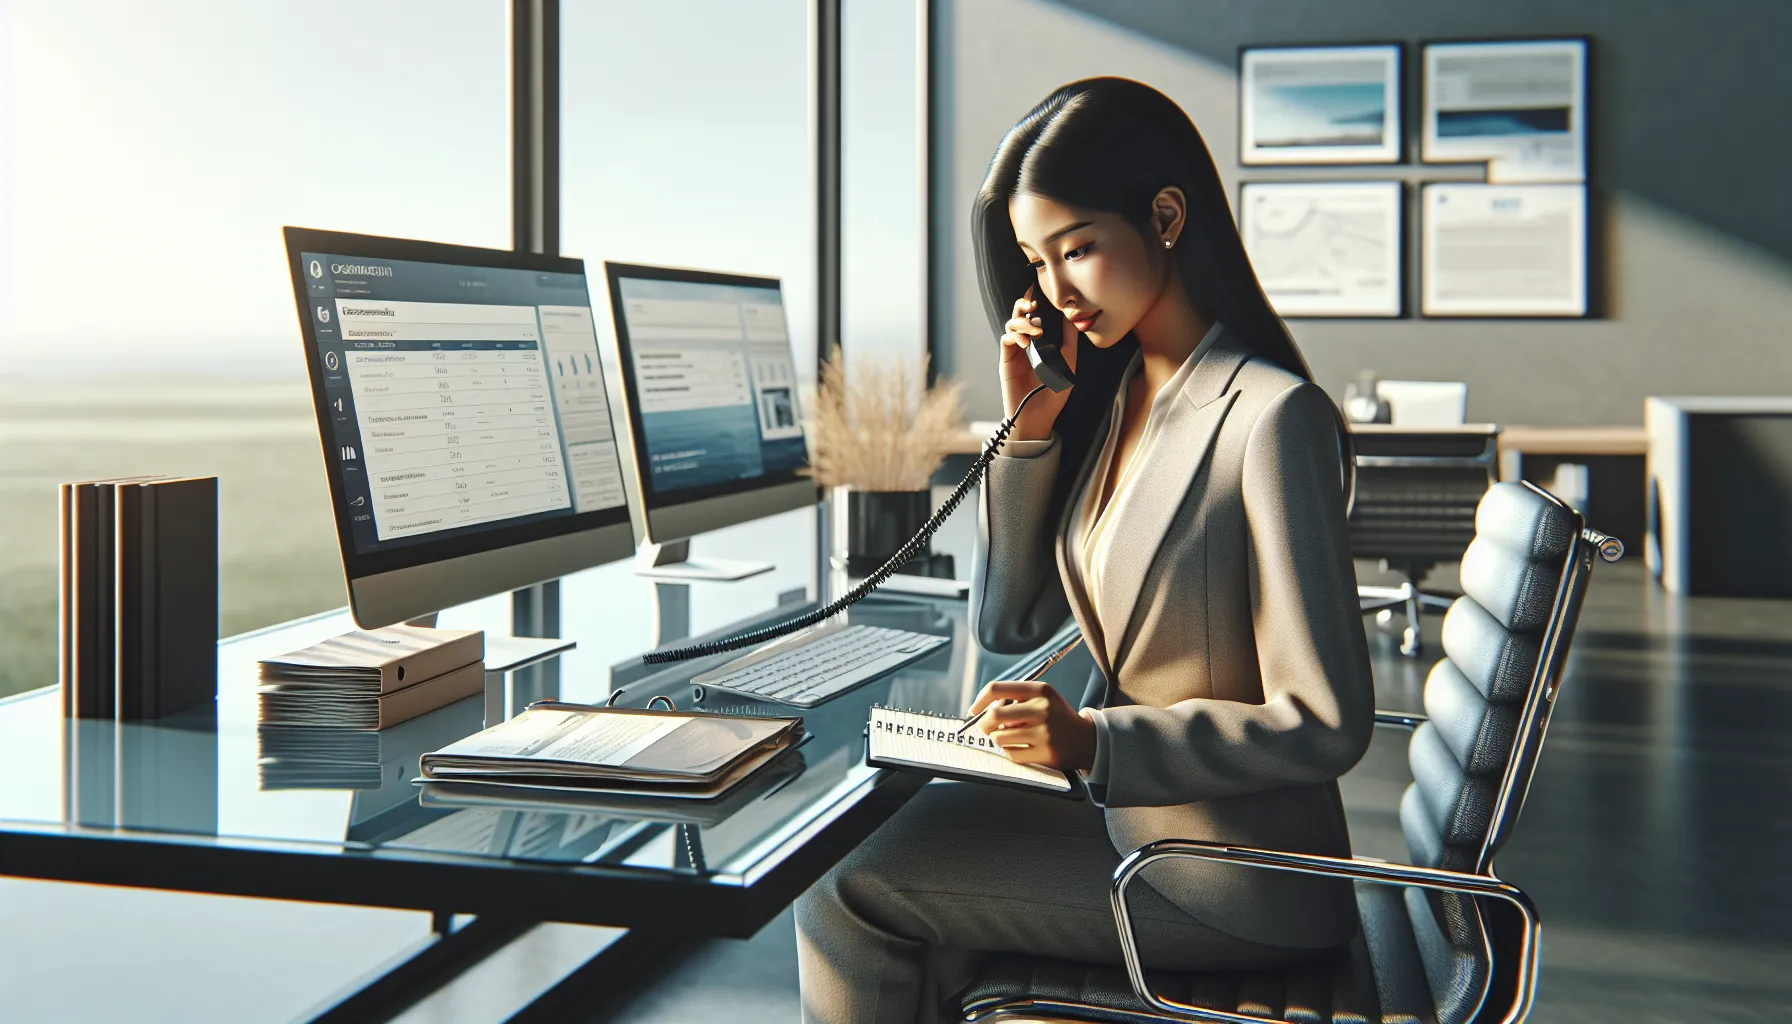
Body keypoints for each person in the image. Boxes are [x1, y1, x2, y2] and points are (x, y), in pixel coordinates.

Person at [795, 77, 1374, 1024]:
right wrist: (1033, 426)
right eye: (1036, 260)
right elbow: (1010, 619)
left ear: (1168, 216)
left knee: (847, 887)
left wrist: (1095, 739)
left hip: (1227, 878)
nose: (1055, 290)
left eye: (1080, 251)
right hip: (1130, 827)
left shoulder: (1270, 417)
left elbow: (1327, 718)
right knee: (888, 848)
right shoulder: (1117, 405)